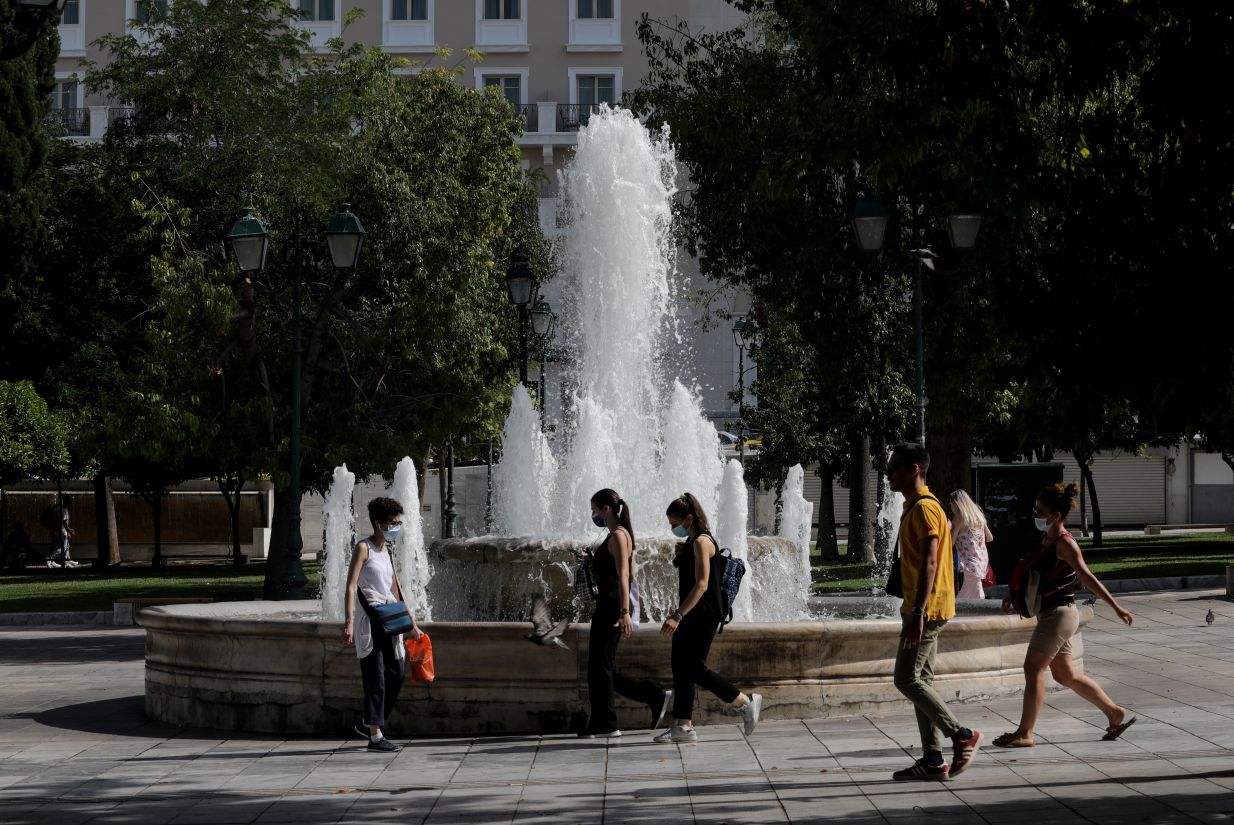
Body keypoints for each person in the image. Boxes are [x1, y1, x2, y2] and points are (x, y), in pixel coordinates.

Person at [994, 482, 1136, 748]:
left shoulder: (1065, 544)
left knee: (1033, 668)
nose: (1034, 515)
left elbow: (1088, 577)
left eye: (1039, 511)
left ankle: (1025, 733)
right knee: (1065, 675)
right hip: (1055, 613)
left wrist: (1117, 607)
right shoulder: (1046, 539)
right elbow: (1035, 576)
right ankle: (1114, 713)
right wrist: (1012, 597)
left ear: (1056, 515)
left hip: (1058, 615)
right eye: (1034, 509)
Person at [886, 442, 982, 781]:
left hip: (927, 608)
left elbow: (930, 561)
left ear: (914, 469)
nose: (888, 474)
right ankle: (931, 758)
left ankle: (961, 734)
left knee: (906, 678)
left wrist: (917, 611)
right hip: (926, 606)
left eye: (894, 467)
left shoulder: (926, 508)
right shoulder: (917, 506)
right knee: (921, 680)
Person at [654, 492, 762, 744]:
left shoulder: (702, 541)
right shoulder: (694, 541)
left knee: (693, 667)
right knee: (680, 667)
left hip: (702, 614)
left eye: (675, 524)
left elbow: (702, 585)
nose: (673, 529)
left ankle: (744, 702)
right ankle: (683, 726)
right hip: (692, 612)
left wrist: (677, 615)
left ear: (689, 518)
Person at [581, 488, 672, 739]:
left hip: (612, 606)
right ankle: (651, 694)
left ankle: (607, 723)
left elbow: (625, 576)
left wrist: (624, 612)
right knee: (602, 665)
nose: (593, 515)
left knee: (600, 665)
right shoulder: (618, 535)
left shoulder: (620, 536)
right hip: (609, 603)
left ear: (606, 510)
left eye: (594, 510)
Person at [342, 496, 423, 753]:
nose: (396, 527)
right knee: (375, 676)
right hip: (370, 620)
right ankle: (376, 735)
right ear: (378, 523)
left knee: (397, 673)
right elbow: (351, 586)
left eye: (399, 523)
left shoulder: (389, 550)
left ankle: (370, 722)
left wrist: (412, 623)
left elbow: (397, 587)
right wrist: (349, 622)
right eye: (392, 523)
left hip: (390, 617)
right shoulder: (363, 548)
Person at [949, 490, 993, 600]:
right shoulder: (978, 515)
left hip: (968, 562)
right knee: (965, 593)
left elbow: (951, 542)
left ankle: (983, 615)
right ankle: (955, 613)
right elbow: (990, 537)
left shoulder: (959, 518)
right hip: (981, 560)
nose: (951, 507)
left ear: (956, 503)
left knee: (977, 595)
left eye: (951, 504)